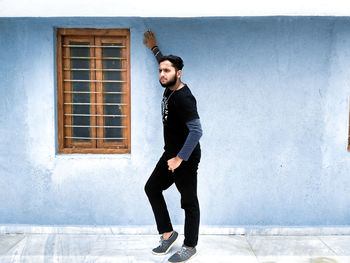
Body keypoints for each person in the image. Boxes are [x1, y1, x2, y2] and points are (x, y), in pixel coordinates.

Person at [143, 30, 203, 263]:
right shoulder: (169, 84)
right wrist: (155, 49)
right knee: (152, 188)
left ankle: (190, 246)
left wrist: (179, 159)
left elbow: (197, 131)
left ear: (179, 73)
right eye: (160, 70)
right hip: (170, 153)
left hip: (185, 157)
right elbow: (164, 63)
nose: (162, 73)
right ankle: (168, 234)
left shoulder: (184, 98)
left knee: (188, 201)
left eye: (167, 71)